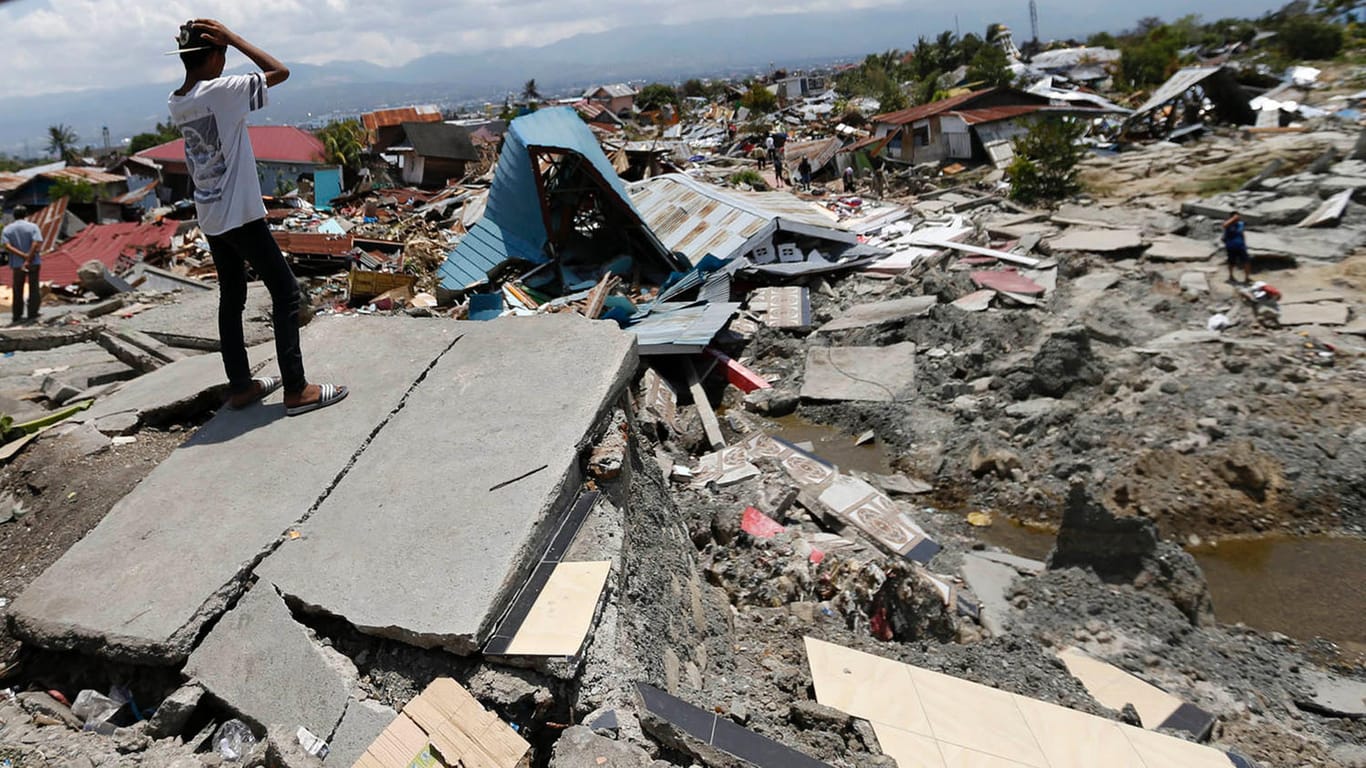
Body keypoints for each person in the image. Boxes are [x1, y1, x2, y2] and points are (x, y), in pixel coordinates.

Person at [167, 19, 346, 416]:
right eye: (223, 55)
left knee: (232, 298)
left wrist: (223, 45)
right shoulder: (222, 92)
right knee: (285, 293)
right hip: (242, 216)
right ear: (215, 55)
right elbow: (280, 71)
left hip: (211, 215)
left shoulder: (177, 99)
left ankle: (242, 385)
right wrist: (235, 39)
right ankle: (297, 390)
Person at [2, 206, 43, 325]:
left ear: (14, 215)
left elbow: (7, 246)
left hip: (17, 264)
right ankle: (32, 313)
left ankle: (17, 315)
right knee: (34, 288)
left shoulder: (8, 229)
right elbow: (36, 243)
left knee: (17, 289)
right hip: (33, 262)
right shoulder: (33, 227)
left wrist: (22, 256)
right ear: (25, 214)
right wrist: (28, 257)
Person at [1222, 212, 1250, 284]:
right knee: (1231, 262)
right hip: (1231, 246)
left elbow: (1242, 233)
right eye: (1236, 216)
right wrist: (1233, 219)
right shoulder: (1228, 223)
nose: (1238, 218)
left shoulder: (1241, 224)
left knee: (1246, 261)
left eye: (1238, 216)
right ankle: (1231, 276)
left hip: (1241, 246)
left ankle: (1247, 277)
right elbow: (1224, 225)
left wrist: (1245, 243)